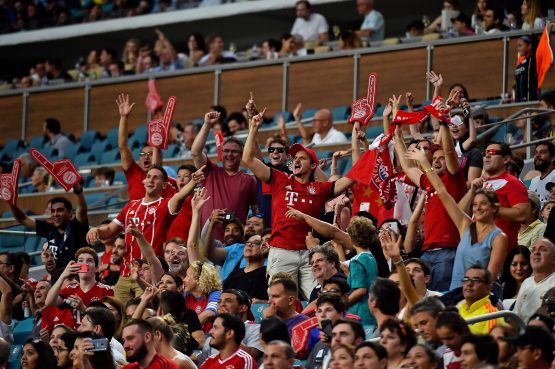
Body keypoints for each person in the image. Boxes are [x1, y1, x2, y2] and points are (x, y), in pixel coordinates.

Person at [243, 108, 356, 299]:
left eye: (302, 158)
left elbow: (351, 178)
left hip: (308, 254)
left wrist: (360, 146)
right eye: (294, 157)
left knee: (319, 297)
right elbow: (247, 159)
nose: (296, 160)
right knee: (280, 299)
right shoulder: (280, 179)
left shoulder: (320, 188)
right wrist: (253, 128)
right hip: (281, 251)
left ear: (313, 165)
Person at [85, 165, 204, 304]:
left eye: (156, 177)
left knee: (144, 316)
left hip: (150, 275)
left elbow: (179, 196)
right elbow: (109, 230)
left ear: (165, 185)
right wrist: (96, 230)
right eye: (148, 177)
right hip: (125, 274)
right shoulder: (130, 206)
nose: (150, 180)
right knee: (118, 317)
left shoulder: (165, 205)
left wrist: (193, 181)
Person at [407, 146, 508, 290]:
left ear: (494, 208)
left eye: (483, 204)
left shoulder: (499, 237)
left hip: (480, 297)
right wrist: (424, 162)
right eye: (475, 204)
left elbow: (489, 279)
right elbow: (441, 191)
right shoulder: (465, 225)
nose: (477, 208)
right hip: (457, 295)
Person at [396, 117, 467, 291]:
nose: (436, 161)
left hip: (448, 250)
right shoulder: (429, 181)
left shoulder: (454, 178)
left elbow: (450, 153)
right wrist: (396, 133)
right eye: (434, 158)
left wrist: (443, 123)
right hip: (426, 253)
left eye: (441, 158)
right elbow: (406, 166)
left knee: (442, 298)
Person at [191, 110, 258, 240]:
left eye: (234, 152)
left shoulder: (250, 180)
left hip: (235, 243)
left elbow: (256, 211)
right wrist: (207, 125)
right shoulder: (210, 171)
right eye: (226, 151)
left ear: (241, 155)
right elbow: (195, 152)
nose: (229, 154)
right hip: (207, 241)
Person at [115, 93, 176, 201]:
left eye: (150, 154)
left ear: (161, 158)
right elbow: (122, 146)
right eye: (142, 154)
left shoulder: (168, 181)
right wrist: (123, 117)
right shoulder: (133, 172)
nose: (145, 157)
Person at [7, 189, 88, 270]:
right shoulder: (49, 229)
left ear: (70, 213)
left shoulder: (77, 226)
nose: (55, 214)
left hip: (82, 275)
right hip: (60, 277)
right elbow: (22, 219)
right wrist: (11, 202)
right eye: (52, 211)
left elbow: (82, 210)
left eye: (60, 210)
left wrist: (78, 190)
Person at [479, 142, 530, 248]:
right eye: (485, 153)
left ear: (506, 159)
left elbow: (523, 214)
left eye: (492, 152)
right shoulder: (483, 183)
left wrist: (492, 209)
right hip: (479, 248)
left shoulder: (513, 183)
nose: (487, 155)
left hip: (500, 251)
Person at [45, 247, 114, 323]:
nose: (85, 263)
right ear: (76, 267)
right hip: (78, 334)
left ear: (96, 268)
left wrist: (83, 309)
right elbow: (49, 302)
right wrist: (63, 275)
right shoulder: (70, 289)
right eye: (81, 260)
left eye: (89, 260)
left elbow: (109, 319)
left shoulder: (107, 290)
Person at [199, 289, 263, 366]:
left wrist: (229, 337)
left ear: (242, 308)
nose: (221, 304)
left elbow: (252, 356)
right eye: (219, 302)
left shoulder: (256, 329)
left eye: (228, 301)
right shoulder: (212, 337)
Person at [514, 238, 555, 322]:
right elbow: (516, 318)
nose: (536, 252)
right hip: (523, 332)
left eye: (543, 249)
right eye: (533, 250)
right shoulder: (526, 283)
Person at [457, 265, 503, 334]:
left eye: (476, 280)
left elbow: (491, 343)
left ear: (488, 288)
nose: (469, 284)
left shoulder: (491, 315)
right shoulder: (458, 309)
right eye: (466, 279)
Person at [223, 235, 269, 301]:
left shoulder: (267, 273)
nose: (249, 245)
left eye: (256, 243)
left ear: (264, 249)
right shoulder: (234, 274)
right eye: (247, 242)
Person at [183, 261, 222, 332]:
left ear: (198, 279)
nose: (184, 280)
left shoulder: (215, 294)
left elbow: (209, 313)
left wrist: (185, 331)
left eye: (187, 276)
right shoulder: (185, 296)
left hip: (209, 339)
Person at [515, 35, 539, 102]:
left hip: (530, 101)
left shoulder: (533, 60)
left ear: (529, 46)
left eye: (520, 46)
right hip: (519, 102)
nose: (518, 49)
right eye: (517, 46)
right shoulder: (520, 64)